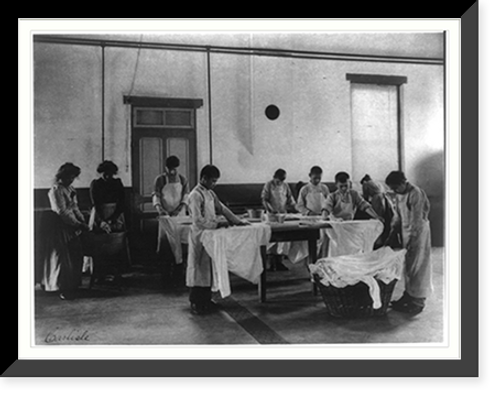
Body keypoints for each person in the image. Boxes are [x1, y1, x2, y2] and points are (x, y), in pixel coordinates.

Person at [186, 165, 250, 315]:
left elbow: (221, 209)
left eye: (216, 181)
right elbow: (198, 221)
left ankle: (206, 300)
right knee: (197, 269)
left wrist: (237, 221)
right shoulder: (195, 195)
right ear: (203, 178)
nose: (214, 184)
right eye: (212, 181)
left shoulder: (210, 194)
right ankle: (195, 302)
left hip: (210, 236)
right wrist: (218, 224)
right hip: (199, 235)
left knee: (208, 269)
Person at [384, 171, 432, 315]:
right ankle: (409, 295)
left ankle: (418, 301)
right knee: (408, 267)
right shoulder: (399, 194)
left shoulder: (415, 193)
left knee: (419, 266)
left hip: (419, 234)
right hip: (406, 232)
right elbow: (397, 217)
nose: (393, 191)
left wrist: (413, 239)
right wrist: (392, 234)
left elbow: (417, 219)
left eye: (395, 187)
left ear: (403, 182)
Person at [42, 163, 90, 300]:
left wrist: (82, 222)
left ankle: (73, 286)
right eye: (69, 177)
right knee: (63, 259)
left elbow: (75, 207)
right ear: (61, 176)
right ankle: (63, 288)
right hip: (60, 226)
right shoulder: (56, 190)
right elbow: (62, 211)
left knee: (75, 256)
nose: (71, 180)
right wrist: (78, 224)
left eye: (73, 178)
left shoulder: (70, 189)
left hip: (73, 227)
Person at [153, 156, 190, 287]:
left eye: (174, 169)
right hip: (165, 216)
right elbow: (156, 196)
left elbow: (186, 196)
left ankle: (179, 275)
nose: (172, 172)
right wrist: (160, 209)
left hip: (179, 216)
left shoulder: (183, 179)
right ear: (165, 168)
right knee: (165, 245)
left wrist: (179, 209)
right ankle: (165, 276)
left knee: (179, 244)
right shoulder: (160, 179)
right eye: (169, 169)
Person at [261, 168, 297, 271]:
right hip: (271, 216)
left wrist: (296, 208)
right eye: (278, 181)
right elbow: (264, 199)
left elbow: (290, 200)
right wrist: (271, 209)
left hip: (282, 215)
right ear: (274, 177)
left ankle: (279, 262)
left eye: (282, 181)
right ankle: (270, 263)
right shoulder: (268, 185)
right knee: (271, 239)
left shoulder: (285, 186)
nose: (279, 183)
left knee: (283, 240)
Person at [89, 160, 126, 234]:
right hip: (99, 212)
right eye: (105, 174)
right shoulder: (96, 184)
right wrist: (101, 220)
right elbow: (95, 203)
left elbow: (122, 201)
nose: (108, 177)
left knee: (116, 236)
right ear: (100, 172)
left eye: (110, 174)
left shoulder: (117, 183)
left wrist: (113, 218)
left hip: (115, 212)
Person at [360, 175, 396, 249]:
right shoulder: (377, 182)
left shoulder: (366, 183)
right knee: (384, 217)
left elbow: (365, 197)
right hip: (384, 198)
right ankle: (383, 240)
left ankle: (378, 241)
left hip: (377, 199)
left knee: (377, 219)